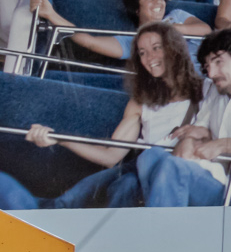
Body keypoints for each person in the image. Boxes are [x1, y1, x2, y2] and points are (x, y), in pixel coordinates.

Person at [0, 21, 204, 210]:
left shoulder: (205, 91)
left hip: (174, 179)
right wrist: (60, 139)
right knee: (64, 204)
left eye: (156, 48)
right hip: (138, 173)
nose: (149, 58)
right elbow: (110, 156)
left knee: (125, 186)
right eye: (142, 53)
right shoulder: (141, 102)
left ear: (174, 47)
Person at [128, 29, 231, 207]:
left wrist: (222, 145)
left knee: (172, 168)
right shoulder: (217, 91)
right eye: (207, 66)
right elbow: (201, 126)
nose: (211, 73)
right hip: (208, 170)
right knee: (149, 157)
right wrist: (189, 139)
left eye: (218, 62)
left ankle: (163, 225)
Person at [35, 0, 210, 64]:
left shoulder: (178, 15)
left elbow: (206, 30)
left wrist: (172, 29)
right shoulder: (135, 41)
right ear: (137, 9)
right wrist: (52, 15)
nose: (158, 2)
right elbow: (90, 42)